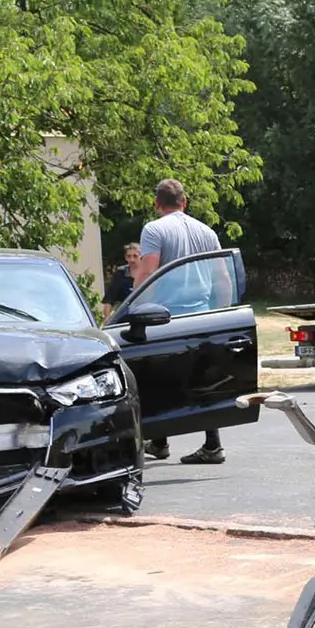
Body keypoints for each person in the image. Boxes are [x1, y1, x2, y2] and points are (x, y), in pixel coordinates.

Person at [138, 178, 227, 465]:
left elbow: (147, 273)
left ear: (157, 204)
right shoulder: (207, 232)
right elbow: (222, 278)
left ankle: (161, 440)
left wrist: (133, 307)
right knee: (201, 379)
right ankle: (210, 444)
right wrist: (221, 315)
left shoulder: (154, 230)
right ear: (184, 202)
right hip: (201, 314)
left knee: (159, 378)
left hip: (165, 316)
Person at [101, 243, 139, 321]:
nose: (132, 260)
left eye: (135, 256)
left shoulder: (148, 272)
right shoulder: (120, 274)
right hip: (125, 315)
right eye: (129, 256)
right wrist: (107, 317)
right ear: (125, 258)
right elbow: (110, 298)